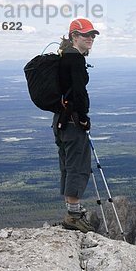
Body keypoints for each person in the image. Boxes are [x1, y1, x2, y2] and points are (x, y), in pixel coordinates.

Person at [53, 18, 99, 233]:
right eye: (85, 35)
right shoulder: (76, 60)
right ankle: (73, 215)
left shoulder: (64, 57)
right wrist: (83, 117)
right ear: (74, 36)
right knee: (78, 166)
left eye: (92, 35)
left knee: (67, 164)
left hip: (60, 120)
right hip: (72, 121)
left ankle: (72, 210)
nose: (90, 38)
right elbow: (79, 92)